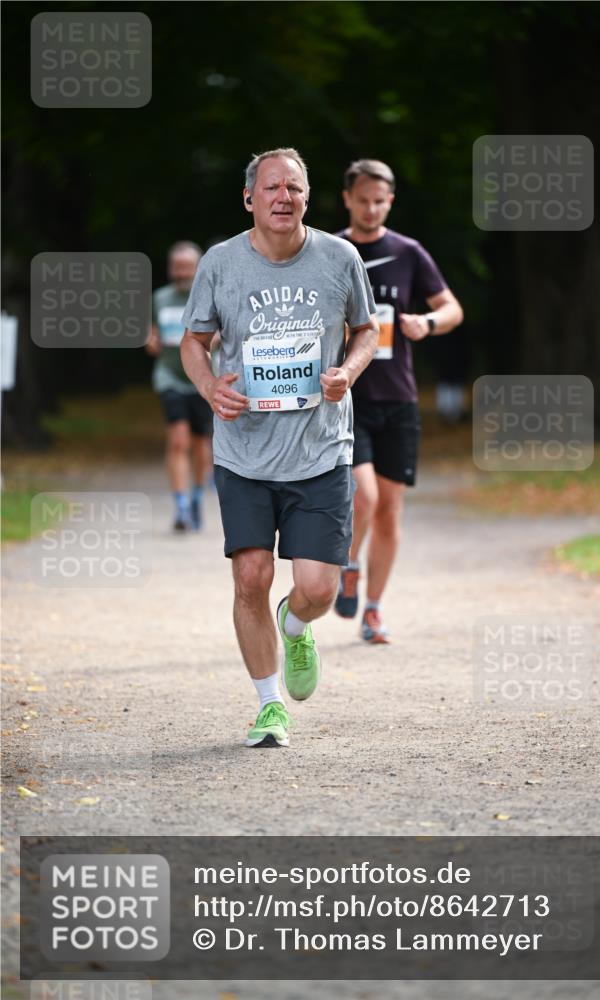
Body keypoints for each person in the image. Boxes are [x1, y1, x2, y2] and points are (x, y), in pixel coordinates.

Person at [180, 148, 378, 748]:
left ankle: (296, 625)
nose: (282, 197)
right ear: (250, 198)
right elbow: (194, 341)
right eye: (271, 188)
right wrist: (212, 387)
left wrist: (349, 370)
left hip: (319, 450)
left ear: (308, 198)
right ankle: (270, 707)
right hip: (244, 452)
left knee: (318, 587)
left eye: (294, 187)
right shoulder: (221, 263)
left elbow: (367, 329)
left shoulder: (339, 258)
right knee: (250, 576)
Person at [334, 159, 464, 642]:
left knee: (390, 509)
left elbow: (452, 308)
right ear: (347, 198)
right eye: (362, 199)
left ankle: (373, 609)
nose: (371, 208)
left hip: (399, 399)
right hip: (347, 398)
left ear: (390, 201)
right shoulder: (329, 249)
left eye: (380, 200)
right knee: (362, 497)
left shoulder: (408, 252)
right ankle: (348, 564)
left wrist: (425, 323)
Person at [146, 242, 214, 532]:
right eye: (177, 267)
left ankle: (197, 496)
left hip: (201, 378)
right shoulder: (159, 298)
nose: (182, 272)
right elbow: (151, 333)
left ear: (198, 268)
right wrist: (150, 341)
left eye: (187, 266)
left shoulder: (209, 297)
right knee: (178, 440)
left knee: (201, 444)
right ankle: (181, 506)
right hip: (170, 376)